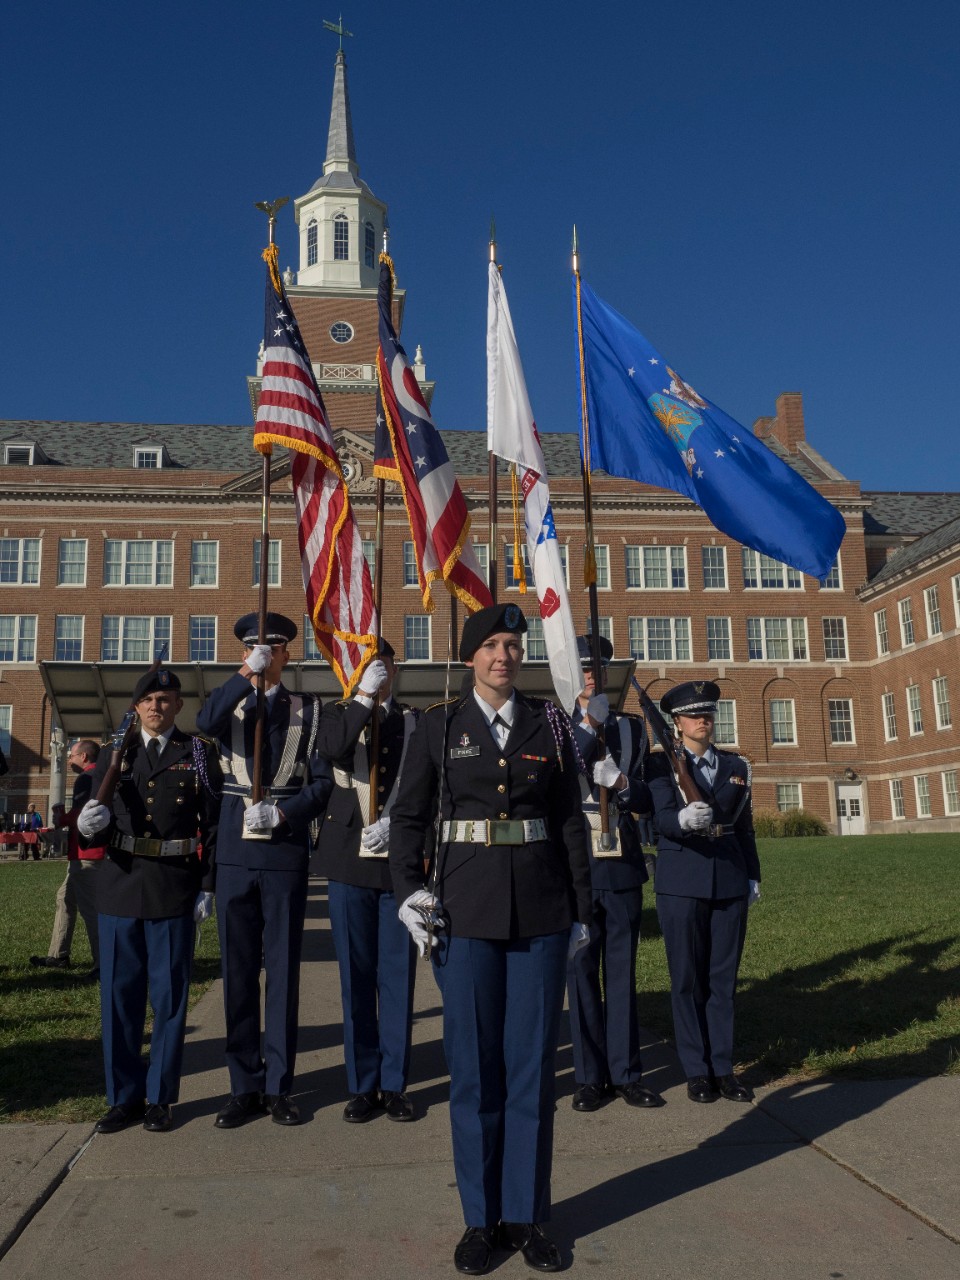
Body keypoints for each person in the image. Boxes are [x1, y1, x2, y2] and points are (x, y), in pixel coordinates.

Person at [390, 602, 593, 1277]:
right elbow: (410, 816)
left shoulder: (550, 724)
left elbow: (568, 820)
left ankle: (528, 1214)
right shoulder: (437, 725)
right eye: (491, 646)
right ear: (471, 657)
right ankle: (481, 1219)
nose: (503, 656)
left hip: (540, 911)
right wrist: (408, 893)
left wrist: (582, 909)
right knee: (475, 1072)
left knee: (531, 1071)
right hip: (465, 913)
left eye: (512, 645)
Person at [196, 611, 332, 1130]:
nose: (266, 653)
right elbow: (203, 725)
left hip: (282, 849)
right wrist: (240, 679)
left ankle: (279, 1086)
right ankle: (242, 1086)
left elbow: (321, 785)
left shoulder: (309, 711)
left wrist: (284, 812)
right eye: (256, 646)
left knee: (281, 971)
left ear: (288, 654)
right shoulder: (228, 703)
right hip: (234, 851)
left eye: (274, 647)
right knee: (237, 973)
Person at [77, 668, 221, 1134]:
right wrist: (85, 824)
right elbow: (91, 815)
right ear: (135, 707)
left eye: (165, 699)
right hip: (120, 885)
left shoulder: (197, 753)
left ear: (179, 706)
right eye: (148, 700)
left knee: (170, 999)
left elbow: (213, 824)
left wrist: (208, 883)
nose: (156, 707)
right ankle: (124, 1098)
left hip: (173, 886)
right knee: (120, 1000)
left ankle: (160, 1098)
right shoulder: (115, 752)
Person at [314, 639, 419, 1123]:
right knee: (355, 978)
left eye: (382, 664)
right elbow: (333, 750)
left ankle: (394, 1083)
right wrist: (362, 699)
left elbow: (428, 788)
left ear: (395, 669)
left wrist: (398, 824)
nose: (376, 671)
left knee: (397, 978)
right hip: (348, 864)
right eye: (364, 665)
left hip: (398, 862)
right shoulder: (334, 713)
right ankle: (362, 1084)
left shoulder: (416, 720)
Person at [647, 680, 761, 1105]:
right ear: (675, 723)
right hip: (681, 882)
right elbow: (659, 820)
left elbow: (744, 827)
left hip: (728, 878)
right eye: (694, 715)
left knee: (722, 980)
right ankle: (696, 1069)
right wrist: (682, 821)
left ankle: (723, 1068)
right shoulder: (659, 767)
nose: (703, 720)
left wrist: (753, 875)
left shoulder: (736, 765)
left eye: (708, 713)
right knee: (687, 979)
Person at [567, 634, 663, 1113]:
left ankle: (626, 1072)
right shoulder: (551, 724)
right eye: (583, 666)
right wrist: (588, 725)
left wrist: (622, 784)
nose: (591, 674)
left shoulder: (632, 729)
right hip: (576, 863)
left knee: (621, 972)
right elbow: (559, 777)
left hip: (620, 859)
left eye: (598, 666)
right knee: (581, 970)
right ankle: (589, 1077)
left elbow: (648, 798)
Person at [30, 740, 105, 978]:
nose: (69, 760)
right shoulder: (101, 777)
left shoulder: (86, 778)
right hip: (88, 854)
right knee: (64, 899)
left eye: (72, 756)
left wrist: (60, 817)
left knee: (90, 909)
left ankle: (102, 963)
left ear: (84, 757)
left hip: (86, 855)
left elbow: (83, 815)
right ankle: (58, 954)